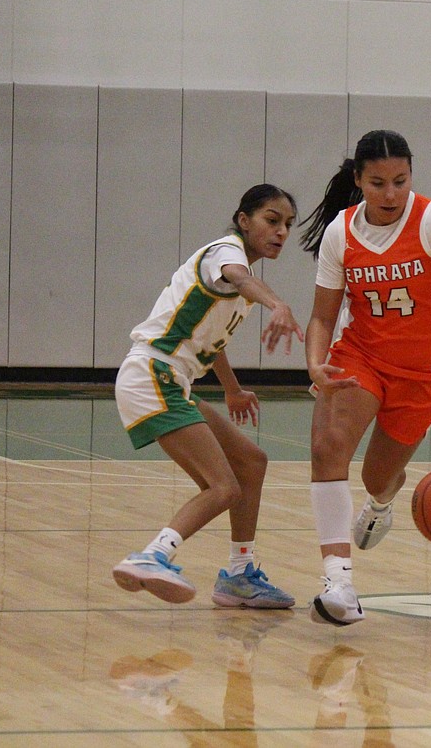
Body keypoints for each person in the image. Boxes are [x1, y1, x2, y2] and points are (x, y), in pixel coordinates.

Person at [298, 129, 431, 626]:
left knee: (375, 476)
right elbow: (323, 317)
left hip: (425, 371)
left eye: (400, 181)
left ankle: (382, 499)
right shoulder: (340, 233)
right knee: (328, 446)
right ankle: (338, 580)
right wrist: (315, 362)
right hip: (362, 355)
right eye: (378, 183)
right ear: (358, 180)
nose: (390, 194)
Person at [111, 184, 304, 608]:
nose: (281, 232)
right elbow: (238, 276)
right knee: (223, 487)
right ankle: (152, 556)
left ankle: (239, 575)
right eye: (272, 220)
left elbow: (211, 341)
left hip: (170, 378)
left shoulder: (239, 286)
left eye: (288, 225)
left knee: (251, 462)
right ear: (243, 220)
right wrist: (277, 305)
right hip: (152, 372)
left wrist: (232, 389)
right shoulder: (226, 253)